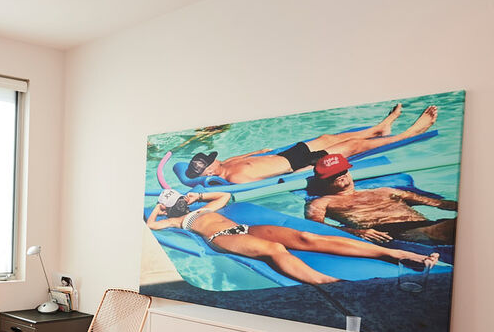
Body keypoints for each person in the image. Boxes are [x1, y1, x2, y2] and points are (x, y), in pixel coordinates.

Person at [147, 189, 438, 285]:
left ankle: (398, 255)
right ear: (171, 207)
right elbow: (153, 226)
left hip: (245, 229)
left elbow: (224, 195)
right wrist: (159, 209)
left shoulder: (203, 205)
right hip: (222, 237)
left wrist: (199, 193)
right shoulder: (176, 218)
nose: (182, 204)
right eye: (176, 203)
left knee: (306, 237)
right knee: (274, 249)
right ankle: (332, 283)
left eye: (181, 200)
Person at [183, 104, 437, 184]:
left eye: (209, 161)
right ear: (206, 172)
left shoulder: (226, 163)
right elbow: (274, 177)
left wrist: (261, 151)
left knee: (329, 138)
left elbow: (250, 155)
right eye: (207, 167)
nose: (212, 164)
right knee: (353, 146)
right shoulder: (235, 178)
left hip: (288, 153)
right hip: (297, 163)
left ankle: (379, 128)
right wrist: (308, 170)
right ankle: (409, 133)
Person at [304, 154, 457, 244]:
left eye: (342, 170)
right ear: (323, 181)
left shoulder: (385, 191)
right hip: (387, 232)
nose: (340, 175)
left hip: (424, 225)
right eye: (333, 175)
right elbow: (316, 227)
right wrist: (357, 232)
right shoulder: (321, 202)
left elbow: (438, 203)